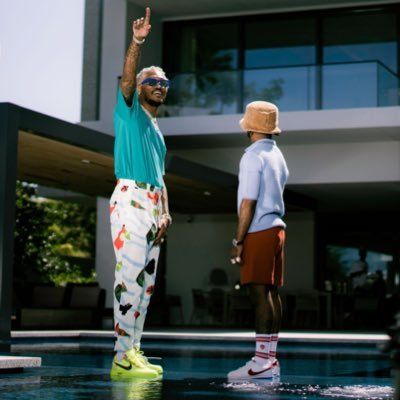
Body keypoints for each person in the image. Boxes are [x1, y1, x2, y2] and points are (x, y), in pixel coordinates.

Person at [109, 7, 172, 380]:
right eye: (154, 81)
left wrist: (166, 212)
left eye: (164, 83)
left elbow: (162, 178)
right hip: (130, 198)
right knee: (128, 280)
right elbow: (129, 78)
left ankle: (133, 351)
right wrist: (137, 42)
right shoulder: (128, 110)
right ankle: (120, 358)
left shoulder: (158, 131)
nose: (159, 86)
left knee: (146, 286)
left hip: (152, 204)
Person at [228, 101, 289, 380]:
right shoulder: (277, 155)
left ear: (250, 127)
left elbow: (247, 203)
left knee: (258, 294)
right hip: (277, 229)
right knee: (272, 293)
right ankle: (270, 359)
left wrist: (238, 240)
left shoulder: (253, 156)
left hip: (259, 230)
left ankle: (261, 363)